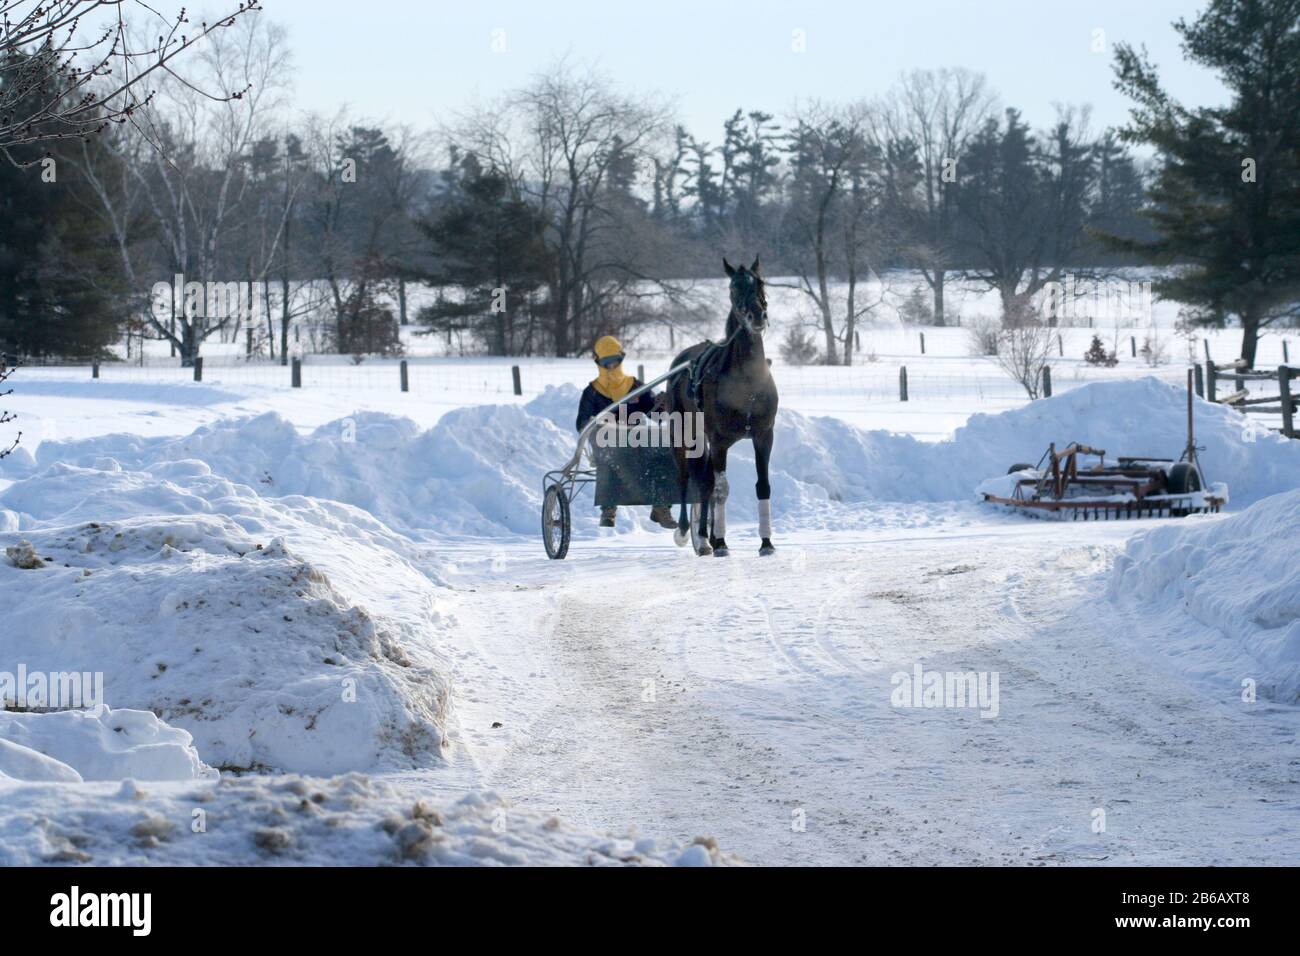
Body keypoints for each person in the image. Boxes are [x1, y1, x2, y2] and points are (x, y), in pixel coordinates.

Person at [576, 335, 677, 529]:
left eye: (616, 361)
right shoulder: (591, 393)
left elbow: (656, 415)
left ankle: (661, 507)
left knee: (665, 452)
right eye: (607, 363)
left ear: (622, 359)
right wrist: (593, 423)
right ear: (598, 363)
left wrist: (662, 406)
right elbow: (582, 424)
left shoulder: (636, 387)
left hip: (637, 440)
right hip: (607, 442)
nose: (612, 367)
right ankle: (608, 509)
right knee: (611, 451)